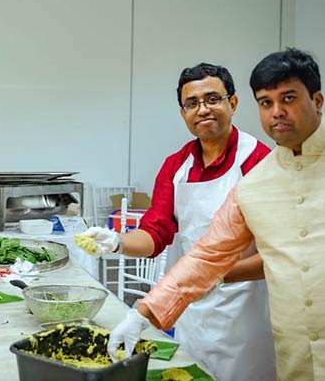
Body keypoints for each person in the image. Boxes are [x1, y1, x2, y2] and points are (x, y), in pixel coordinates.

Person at [108, 48, 324, 381]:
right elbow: (207, 255)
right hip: (285, 345)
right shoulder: (257, 182)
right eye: (266, 103)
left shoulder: (253, 161)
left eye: (289, 98)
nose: (277, 112)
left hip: (249, 313)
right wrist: (144, 310)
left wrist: (223, 277)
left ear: (317, 101)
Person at [77, 63, 275, 380]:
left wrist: (215, 276)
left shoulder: (259, 162)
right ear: (183, 113)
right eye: (192, 103)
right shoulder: (176, 165)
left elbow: (277, 254)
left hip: (245, 310)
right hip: (190, 309)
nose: (203, 109)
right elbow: (156, 234)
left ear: (232, 103)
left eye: (213, 99)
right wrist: (117, 243)